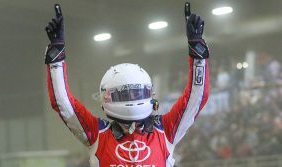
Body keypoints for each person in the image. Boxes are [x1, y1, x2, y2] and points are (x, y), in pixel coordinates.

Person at [44, 3, 209, 167]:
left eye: (137, 93)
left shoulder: (164, 129)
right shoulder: (98, 133)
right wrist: (56, 54)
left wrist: (197, 51)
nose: (132, 99)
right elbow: (63, 103)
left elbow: (196, 98)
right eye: (125, 94)